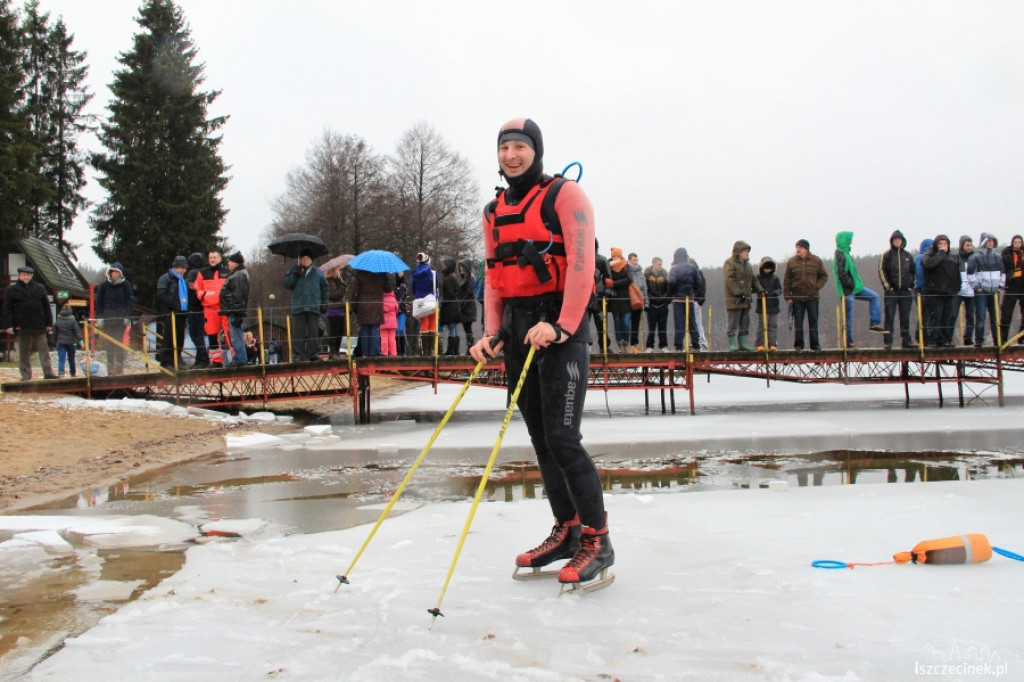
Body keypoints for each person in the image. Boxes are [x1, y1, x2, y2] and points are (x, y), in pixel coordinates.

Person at [470, 117, 612, 588]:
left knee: (564, 438)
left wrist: (562, 325)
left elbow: (580, 266)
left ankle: (598, 539)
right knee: (541, 440)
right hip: (518, 331)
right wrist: (492, 332)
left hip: (561, 329)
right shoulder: (493, 211)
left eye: (520, 147)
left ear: (537, 151)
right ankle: (567, 531)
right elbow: (494, 277)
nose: (511, 155)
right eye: (504, 147)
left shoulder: (565, 197)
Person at [3, 266, 57, 381]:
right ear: (19, 276)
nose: (26, 277)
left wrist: (49, 323)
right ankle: (26, 375)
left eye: (28, 275)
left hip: (39, 325)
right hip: (22, 326)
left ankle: (48, 373)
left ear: (31, 276)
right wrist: (8, 325)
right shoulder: (11, 290)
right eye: (23, 275)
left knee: (44, 351)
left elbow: (46, 307)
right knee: (24, 353)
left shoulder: (40, 288)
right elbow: (7, 309)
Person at [833, 231, 883, 348]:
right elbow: (841, 274)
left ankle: (874, 323)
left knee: (874, 297)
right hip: (847, 291)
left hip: (856, 288)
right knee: (848, 317)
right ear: (844, 240)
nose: (852, 241)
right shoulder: (840, 255)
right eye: (850, 239)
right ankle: (848, 341)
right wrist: (850, 284)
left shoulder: (846, 254)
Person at [283, 248, 329, 362]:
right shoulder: (293, 271)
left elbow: (325, 289)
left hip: (314, 306)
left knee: (314, 332)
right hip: (299, 306)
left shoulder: (318, 273)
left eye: (307, 258)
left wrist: (324, 304)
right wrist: (295, 275)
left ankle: (314, 354)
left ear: (311, 260)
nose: (304, 261)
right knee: (298, 332)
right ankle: (298, 355)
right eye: (302, 258)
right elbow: (286, 284)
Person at [784, 239, 828, 351]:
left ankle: (815, 345)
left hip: (812, 297)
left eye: (800, 247)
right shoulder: (791, 262)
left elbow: (824, 276)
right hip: (797, 297)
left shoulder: (816, 260)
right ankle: (798, 345)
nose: (798, 250)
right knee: (798, 322)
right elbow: (787, 280)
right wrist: (788, 297)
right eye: (796, 247)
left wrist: (816, 286)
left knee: (813, 321)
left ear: (806, 248)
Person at [877, 230, 917, 350]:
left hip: (905, 291)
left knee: (905, 317)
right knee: (889, 316)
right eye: (895, 239)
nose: (897, 241)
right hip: (892, 292)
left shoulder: (908, 256)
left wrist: (911, 285)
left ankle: (906, 341)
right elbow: (881, 271)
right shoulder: (887, 255)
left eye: (899, 239)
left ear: (903, 241)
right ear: (892, 241)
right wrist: (888, 287)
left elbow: (913, 272)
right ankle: (888, 342)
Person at [93, 262, 135, 374]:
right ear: (110, 273)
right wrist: (100, 317)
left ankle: (119, 366)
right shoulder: (103, 286)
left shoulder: (126, 285)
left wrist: (127, 316)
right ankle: (110, 366)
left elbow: (129, 301)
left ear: (120, 274)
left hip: (120, 320)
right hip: (108, 320)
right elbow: (99, 302)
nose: (115, 274)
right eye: (113, 272)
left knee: (119, 343)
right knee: (109, 344)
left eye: (117, 272)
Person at [723, 240, 763, 351]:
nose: (747, 253)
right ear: (738, 251)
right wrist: (738, 292)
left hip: (746, 300)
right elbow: (729, 279)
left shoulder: (748, 265)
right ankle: (732, 344)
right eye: (745, 251)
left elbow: (753, 279)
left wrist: (760, 289)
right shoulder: (729, 263)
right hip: (734, 300)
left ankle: (743, 343)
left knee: (745, 321)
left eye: (747, 251)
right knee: (733, 322)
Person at [921, 235, 960, 347]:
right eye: (940, 244)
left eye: (945, 244)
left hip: (949, 292)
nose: (943, 246)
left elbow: (956, 275)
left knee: (947, 318)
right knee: (935, 317)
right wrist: (941, 253)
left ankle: (945, 340)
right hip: (935, 292)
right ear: (936, 245)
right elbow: (929, 264)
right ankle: (932, 340)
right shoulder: (929, 255)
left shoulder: (953, 257)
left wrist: (956, 288)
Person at [966, 232, 1004, 347]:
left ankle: (997, 340)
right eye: (988, 241)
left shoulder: (998, 257)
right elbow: (970, 274)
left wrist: (1000, 285)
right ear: (983, 242)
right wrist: (977, 287)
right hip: (981, 292)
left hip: (994, 291)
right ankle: (979, 340)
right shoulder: (975, 257)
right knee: (981, 316)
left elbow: (1003, 273)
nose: (990, 243)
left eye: (992, 241)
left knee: (995, 317)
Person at [196, 250, 232, 364]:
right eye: (210, 257)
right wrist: (203, 296)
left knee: (229, 333)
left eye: (214, 257)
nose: (212, 259)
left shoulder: (227, 272)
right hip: (210, 309)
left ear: (220, 259)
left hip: (225, 307)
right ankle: (216, 361)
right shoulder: (202, 273)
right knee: (212, 334)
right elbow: (199, 289)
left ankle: (235, 359)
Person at [155, 255, 190, 370]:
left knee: (180, 338)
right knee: (169, 338)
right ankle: (166, 362)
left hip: (181, 313)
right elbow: (161, 294)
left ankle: (177, 360)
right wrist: (173, 306)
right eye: (180, 268)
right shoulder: (165, 278)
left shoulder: (183, 281)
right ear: (174, 267)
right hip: (169, 313)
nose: (183, 270)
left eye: (184, 268)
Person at [349, 268, 392, 358]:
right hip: (376, 305)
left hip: (363, 305)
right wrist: (385, 276)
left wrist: (354, 306)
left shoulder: (360, 274)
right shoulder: (381, 273)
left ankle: (365, 353)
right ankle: (374, 353)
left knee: (364, 330)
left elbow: (355, 291)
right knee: (375, 329)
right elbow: (388, 289)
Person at [219, 251, 250, 365]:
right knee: (236, 336)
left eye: (230, 261)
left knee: (236, 336)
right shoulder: (240, 273)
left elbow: (238, 295)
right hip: (235, 310)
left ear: (236, 262)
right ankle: (241, 358)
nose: (228, 264)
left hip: (234, 311)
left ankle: (240, 359)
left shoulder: (238, 275)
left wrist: (236, 311)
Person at [667, 247, 701, 351]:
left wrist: (671, 293)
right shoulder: (693, 268)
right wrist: (693, 292)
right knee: (692, 321)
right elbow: (698, 282)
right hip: (689, 298)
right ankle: (696, 344)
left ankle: (678, 346)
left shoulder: (674, 269)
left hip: (678, 299)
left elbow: (671, 282)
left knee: (679, 323)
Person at [185, 253, 211, 369]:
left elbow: (189, 286)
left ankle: (203, 359)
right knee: (200, 334)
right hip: (203, 306)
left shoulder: (193, 273)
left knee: (195, 334)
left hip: (194, 306)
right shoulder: (205, 272)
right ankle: (199, 359)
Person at [606, 247, 632, 353]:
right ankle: (620, 344)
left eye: (617, 256)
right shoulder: (607, 266)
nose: (615, 258)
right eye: (614, 256)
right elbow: (607, 279)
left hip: (625, 298)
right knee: (617, 322)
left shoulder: (626, 266)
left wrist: (615, 283)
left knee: (625, 322)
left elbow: (629, 279)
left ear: (621, 256)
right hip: (614, 298)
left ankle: (626, 342)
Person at [999, 234, 1024, 345]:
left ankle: (1021, 336)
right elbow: (1003, 269)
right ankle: (1003, 338)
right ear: (1012, 243)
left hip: (1022, 285)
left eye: (1019, 242)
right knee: (1006, 312)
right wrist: (1010, 276)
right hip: (1011, 285)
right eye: (1016, 242)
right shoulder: (1007, 254)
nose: (1018, 245)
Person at [588, 240, 612, 353]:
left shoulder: (602, 260)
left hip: (599, 297)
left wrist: (606, 295)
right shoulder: (582, 259)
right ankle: (588, 345)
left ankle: (604, 346)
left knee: (601, 324)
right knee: (585, 324)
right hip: (587, 297)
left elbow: (608, 279)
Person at [411, 252, 437, 355]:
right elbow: (436, 285)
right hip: (431, 299)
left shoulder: (414, 273)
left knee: (424, 324)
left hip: (420, 301)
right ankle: (431, 349)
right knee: (432, 323)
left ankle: (424, 350)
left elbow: (413, 287)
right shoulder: (433, 273)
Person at [755, 256, 782, 351]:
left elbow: (779, 289)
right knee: (762, 325)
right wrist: (760, 292)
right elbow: (754, 288)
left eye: (769, 268)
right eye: (765, 268)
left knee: (773, 325)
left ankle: (773, 344)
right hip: (762, 305)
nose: (767, 270)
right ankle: (760, 344)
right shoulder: (758, 278)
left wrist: (776, 292)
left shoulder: (775, 278)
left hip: (773, 305)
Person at [643, 256, 670, 352]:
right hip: (651, 304)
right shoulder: (647, 274)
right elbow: (645, 289)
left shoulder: (665, 273)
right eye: (659, 264)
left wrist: (665, 300)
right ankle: (649, 346)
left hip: (663, 304)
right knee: (651, 327)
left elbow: (668, 288)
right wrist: (650, 299)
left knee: (663, 327)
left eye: (661, 264)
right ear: (653, 263)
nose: (660, 266)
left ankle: (663, 346)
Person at [954, 235, 975, 347]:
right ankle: (948, 338)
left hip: (971, 291)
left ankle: (968, 338)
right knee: (953, 314)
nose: (969, 247)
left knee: (971, 316)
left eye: (971, 245)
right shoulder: (956, 258)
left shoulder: (975, 258)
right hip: (959, 291)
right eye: (967, 245)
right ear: (962, 245)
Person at [324, 265, 348, 360]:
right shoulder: (329, 282)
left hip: (340, 309)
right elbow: (335, 294)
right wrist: (342, 286)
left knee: (340, 331)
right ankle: (332, 352)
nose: (340, 271)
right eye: (338, 269)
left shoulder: (338, 281)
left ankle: (337, 352)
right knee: (334, 331)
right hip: (333, 310)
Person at [626, 253, 647, 353]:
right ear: (629, 260)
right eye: (634, 260)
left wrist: (646, 303)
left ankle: (634, 345)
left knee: (636, 324)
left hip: (639, 301)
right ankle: (625, 346)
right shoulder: (625, 270)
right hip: (628, 301)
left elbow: (644, 288)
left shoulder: (640, 273)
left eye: (636, 260)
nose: (635, 262)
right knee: (626, 323)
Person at [439, 257, 462, 355]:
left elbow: (449, 293)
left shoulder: (449, 278)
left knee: (451, 327)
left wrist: (443, 303)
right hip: (455, 305)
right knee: (454, 328)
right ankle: (455, 350)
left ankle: (450, 350)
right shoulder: (454, 277)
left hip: (450, 306)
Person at [54, 303, 83, 377]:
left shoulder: (58, 320)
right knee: (71, 358)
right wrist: (81, 341)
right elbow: (77, 332)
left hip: (60, 342)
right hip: (71, 342)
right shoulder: (73, 320)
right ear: (70, 310)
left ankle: (61, 373)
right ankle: (73, 373)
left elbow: (55, 333)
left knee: (61, 358)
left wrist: (54, 342)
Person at [458, 259, 477, 353]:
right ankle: (469, 346)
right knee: (467, 329)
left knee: (468, 328)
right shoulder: (465, 278)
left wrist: (462, 304)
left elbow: (469, 293)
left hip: (467, 307)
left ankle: (470, 347)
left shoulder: (470, 279)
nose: (460, 268)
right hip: (464, 307)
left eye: (462, 267)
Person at [394, 269, 412, 355]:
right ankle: (397, 350)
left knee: (400, 329)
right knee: (396, 330)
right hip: (394, 310)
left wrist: (408, 310)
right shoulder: (393, 283)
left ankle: (402, 351)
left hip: (403, 310)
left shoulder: (405, 284)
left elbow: (408, 297)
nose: (400, 273)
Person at [381, 289, 399, 356]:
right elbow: (397, 310)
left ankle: (384, 353)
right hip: (392, 321)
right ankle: (393, 353)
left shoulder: (381, 299)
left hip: (383, 321)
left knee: (384, 337)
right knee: (392, 338)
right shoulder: (394, 299)